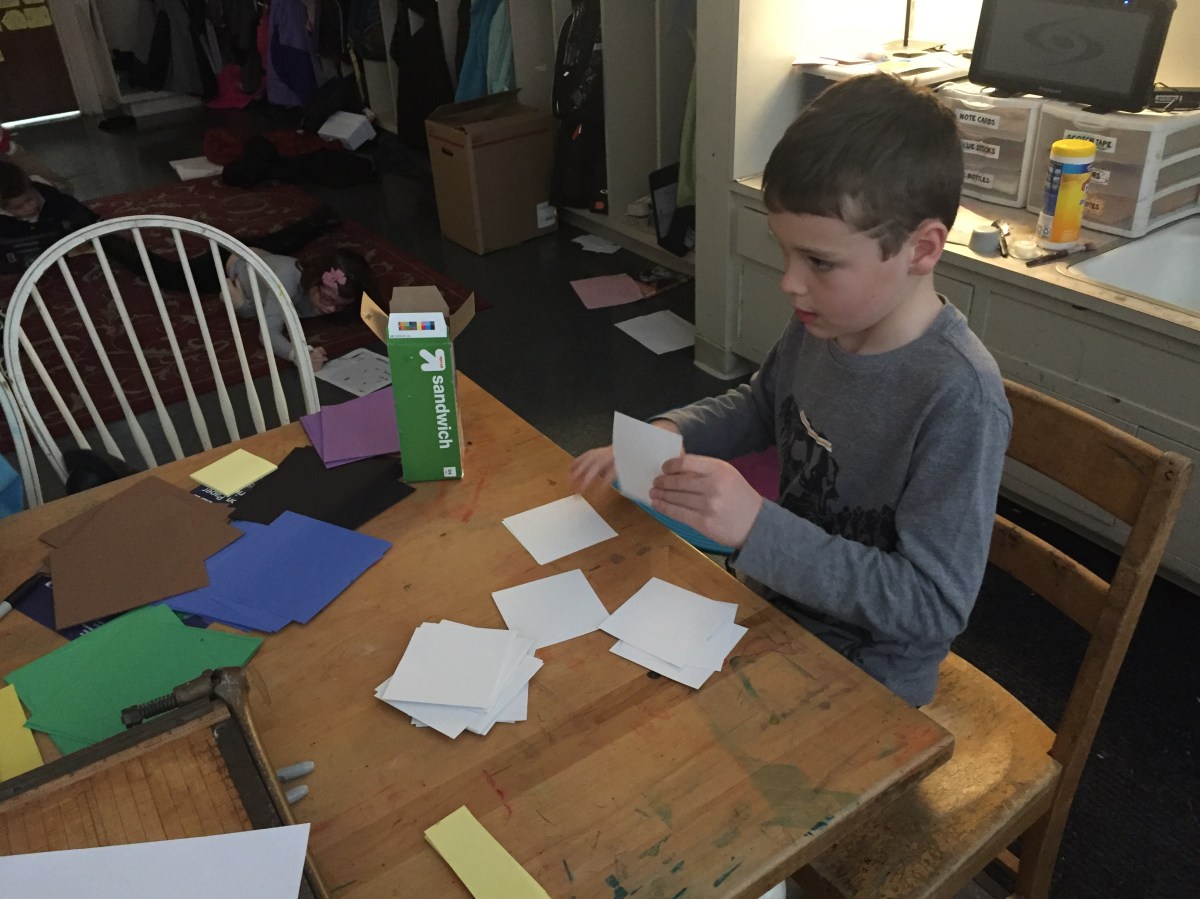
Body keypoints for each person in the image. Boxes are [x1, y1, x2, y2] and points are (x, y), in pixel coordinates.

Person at [571, 73, 1012, 709]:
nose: (789, 282)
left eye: (820, 262)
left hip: (867, 678)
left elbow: (932, 605)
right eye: (785, 253)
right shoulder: (826, 322)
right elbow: (761, 406)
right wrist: (671, 433)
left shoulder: (959, 399)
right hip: (770, 605)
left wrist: (757, 527)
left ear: (922, 249)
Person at [0, 159, 375, 370]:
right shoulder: (284, 286)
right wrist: (297, 353)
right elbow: (268, 331)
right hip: (227, 263)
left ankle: (317, 221)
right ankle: (109, 238)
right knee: (169, 275)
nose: (329, 307)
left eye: (337, 303)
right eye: (326, 298)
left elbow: (368, 310)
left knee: (272, 243)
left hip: (258, 260)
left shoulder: (322, 281)